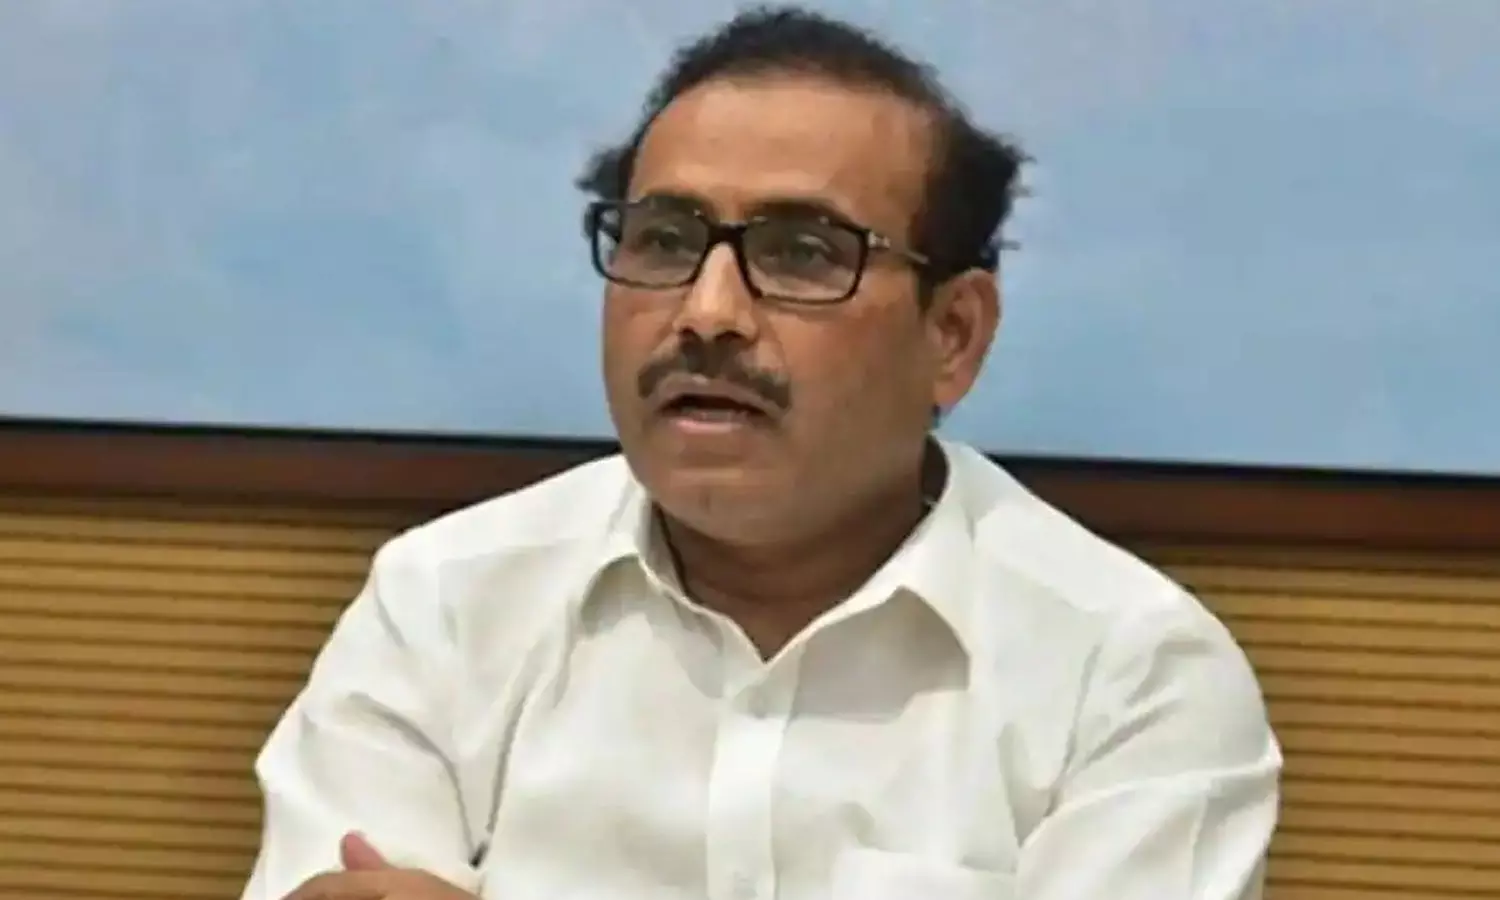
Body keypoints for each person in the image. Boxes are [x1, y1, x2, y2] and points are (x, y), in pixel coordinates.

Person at [246, 6, 1280, 900]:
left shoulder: (1131, 675)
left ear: (953, 335)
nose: (707, 312)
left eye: (802, 253)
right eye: (663, 241)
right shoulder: (445, 603)